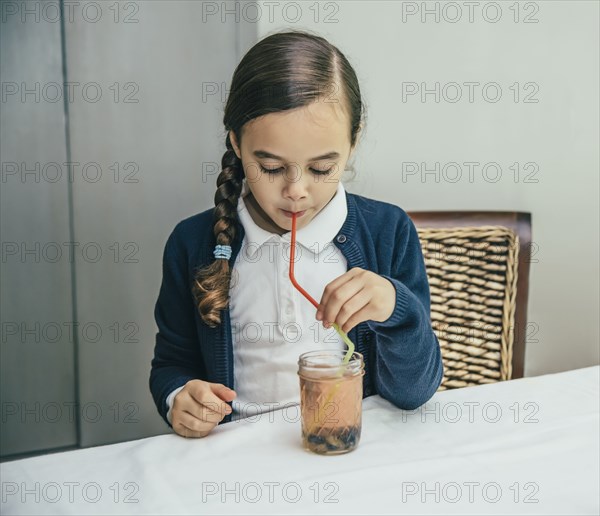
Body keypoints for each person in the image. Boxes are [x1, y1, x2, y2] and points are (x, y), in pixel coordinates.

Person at [149, 29, 443, 439]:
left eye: (322, 168)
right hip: (236, 458)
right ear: (235, 142)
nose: (296, 191)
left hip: (347, 450)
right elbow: (171, 364)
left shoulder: (388, 231)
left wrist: (396, 308)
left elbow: (414, 392)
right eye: (270, 167)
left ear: (353, 142)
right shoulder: (191, 243)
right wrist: (179, 396)